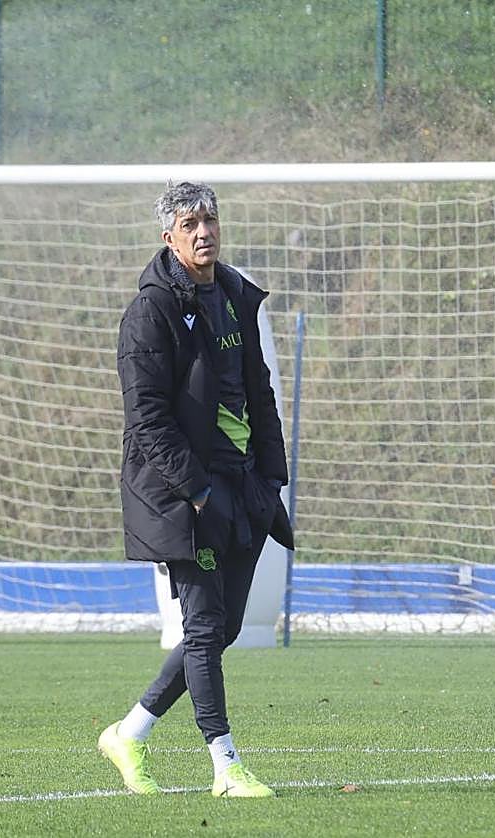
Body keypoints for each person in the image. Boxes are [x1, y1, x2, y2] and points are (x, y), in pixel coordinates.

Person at [99, 181, 294, 797]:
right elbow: (147, 419)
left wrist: (271, 477)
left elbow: (257, 390)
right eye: (190, 224)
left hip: (245, 486)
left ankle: (129, 733)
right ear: (169, 238)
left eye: (209, 219)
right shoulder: (150, 312)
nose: (203, 231)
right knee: (206, 628)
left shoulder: (235, 295)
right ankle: (225, 765)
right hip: (186, 493)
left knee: (224, 628)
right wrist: (199, 492)